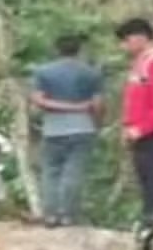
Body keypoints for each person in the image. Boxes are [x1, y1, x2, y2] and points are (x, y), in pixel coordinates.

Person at [31, 34, 104, 227]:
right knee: (74, 172)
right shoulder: (91, 73)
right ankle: (68, 215)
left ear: (56, 50)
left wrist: (59, 106)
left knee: (51, 172)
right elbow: (97, 105)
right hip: (83, 128)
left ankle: (50, 214)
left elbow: (38, 100)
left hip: (53, 128)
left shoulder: (43, 72)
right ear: (79, 51)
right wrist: (94, 122)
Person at [115, 18, 153, 227]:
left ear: (140, 37)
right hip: (137, 130)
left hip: (148, 130)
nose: (123, 47)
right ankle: (149, 215)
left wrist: (140, 129)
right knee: (145, 175)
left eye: (126, 40)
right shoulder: (142, 62)